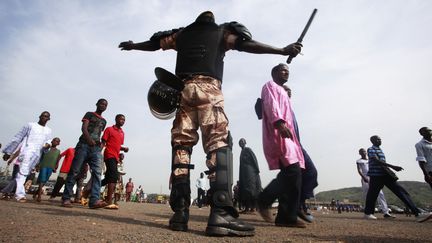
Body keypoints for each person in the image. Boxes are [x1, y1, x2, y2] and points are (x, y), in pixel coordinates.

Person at [119, 11, 301, 236]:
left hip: (182, 92)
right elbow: (247, 44)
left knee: (181, 146)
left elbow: (154, 44)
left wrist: (133, 45)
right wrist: (282, 50)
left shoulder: (180, 35)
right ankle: (221, 214)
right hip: (209, 90)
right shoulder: (222, 32)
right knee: (217, 144)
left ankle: (180, 213)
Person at [257, 63, 305, 228]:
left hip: (289, 137)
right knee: (292, 172)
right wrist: (279, 123)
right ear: (274, 73)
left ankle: (286, 216)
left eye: (288, 71)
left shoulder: (284, 91)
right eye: (283, 70)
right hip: (278, 133)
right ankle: (264, 199)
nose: (286, 72)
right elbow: (271, 105)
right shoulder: (269, 86)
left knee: (295, 175)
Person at [364, 135, 432, 222]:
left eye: (380, 139)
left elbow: (381, 162)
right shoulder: (371, 149)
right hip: (376, 175)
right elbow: (376, 160)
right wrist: (393, 166)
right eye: (378, 139)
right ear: (372, 141)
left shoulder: (380, 149)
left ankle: (418, 213)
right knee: (372, 195)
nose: (380, 140)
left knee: (401, 192)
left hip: (385, 175)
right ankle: (368, 213)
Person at [61, 99, 108, 209]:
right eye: (101, 103)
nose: (103, 106)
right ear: (97, 104)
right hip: (84, 145)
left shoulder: (104, 121)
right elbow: (84, 128)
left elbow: (99, 133)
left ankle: (94, 200)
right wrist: (89, 140)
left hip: (96, 149)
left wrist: (99, 147)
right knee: (75, 171)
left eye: (105, 105)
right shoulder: (89, 114)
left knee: (97, 173)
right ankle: (66, 198)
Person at [283, 85, 318, 223]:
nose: (289, 91)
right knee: (305, 174)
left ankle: (297, 206)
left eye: (290, 90)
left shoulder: (290, 108)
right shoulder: (280, 107)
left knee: (306, 175)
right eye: (286, 90)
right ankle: (295, 207)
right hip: (288, 145)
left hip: (297, 145)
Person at [2, 111, 52, 202]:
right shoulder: (30, 125)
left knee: (22, 175)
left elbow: (48, 142)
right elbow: (18, 137)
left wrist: (47, 146)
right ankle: (20, 195)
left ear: (49, 119)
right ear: (39, 116)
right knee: (22, 174)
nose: (44, 118)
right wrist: (8, 152)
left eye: (46, 117)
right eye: (43, 116)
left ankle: (5, 191)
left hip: (36, 155)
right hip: (26, 152)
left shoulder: (48, 130)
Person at [101, 114, 129, 209]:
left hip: (115, 157)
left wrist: (123, 149)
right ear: (116, 119)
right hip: (109, 155)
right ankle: (109, 201)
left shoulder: (122, 133)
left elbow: (117, 145)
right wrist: (97, 152)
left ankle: (89, 190)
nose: (122, 121)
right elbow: (104, 142)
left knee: (108, 178)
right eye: (121, 119)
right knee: (113, 176)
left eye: (124, 120)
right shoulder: (109, 129)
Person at [356, 148, 394, 218]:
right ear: (359, 153)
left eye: (364, 151)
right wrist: (363, 177)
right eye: (361, 152)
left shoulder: (371, 159)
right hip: (366, 177)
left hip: (374, 176)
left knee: (380, 193)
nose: (363, 152)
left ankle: (386, 212)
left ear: (366, 152)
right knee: (367, 195)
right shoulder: (359, 161)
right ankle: (367, 212)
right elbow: (359, 170)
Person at [238, 138, 262, 213]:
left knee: (251, 189)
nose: (241, 143)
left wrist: (257, 170)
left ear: (245, 142)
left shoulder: (248, 150)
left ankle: (253, 208)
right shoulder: (241, 152)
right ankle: (247, 208)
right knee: (245, 189)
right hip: (244, 173)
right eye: (240, 142)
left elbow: (254, 159)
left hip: (250, 172)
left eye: (242, 141)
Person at [34, 137, 61, 202]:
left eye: (57, 141)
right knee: (42, 180)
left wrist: (56, 167)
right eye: (55, 140)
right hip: (44, 165)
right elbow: (41, 157)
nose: (55, 142)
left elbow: (57, 160)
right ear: (51, 141)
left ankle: (35, 193)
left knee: (45, 180)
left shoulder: (58, 151)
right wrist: (37, 166)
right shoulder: (46, 149)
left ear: (58, 143)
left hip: (51, 167)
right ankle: (39, 196)